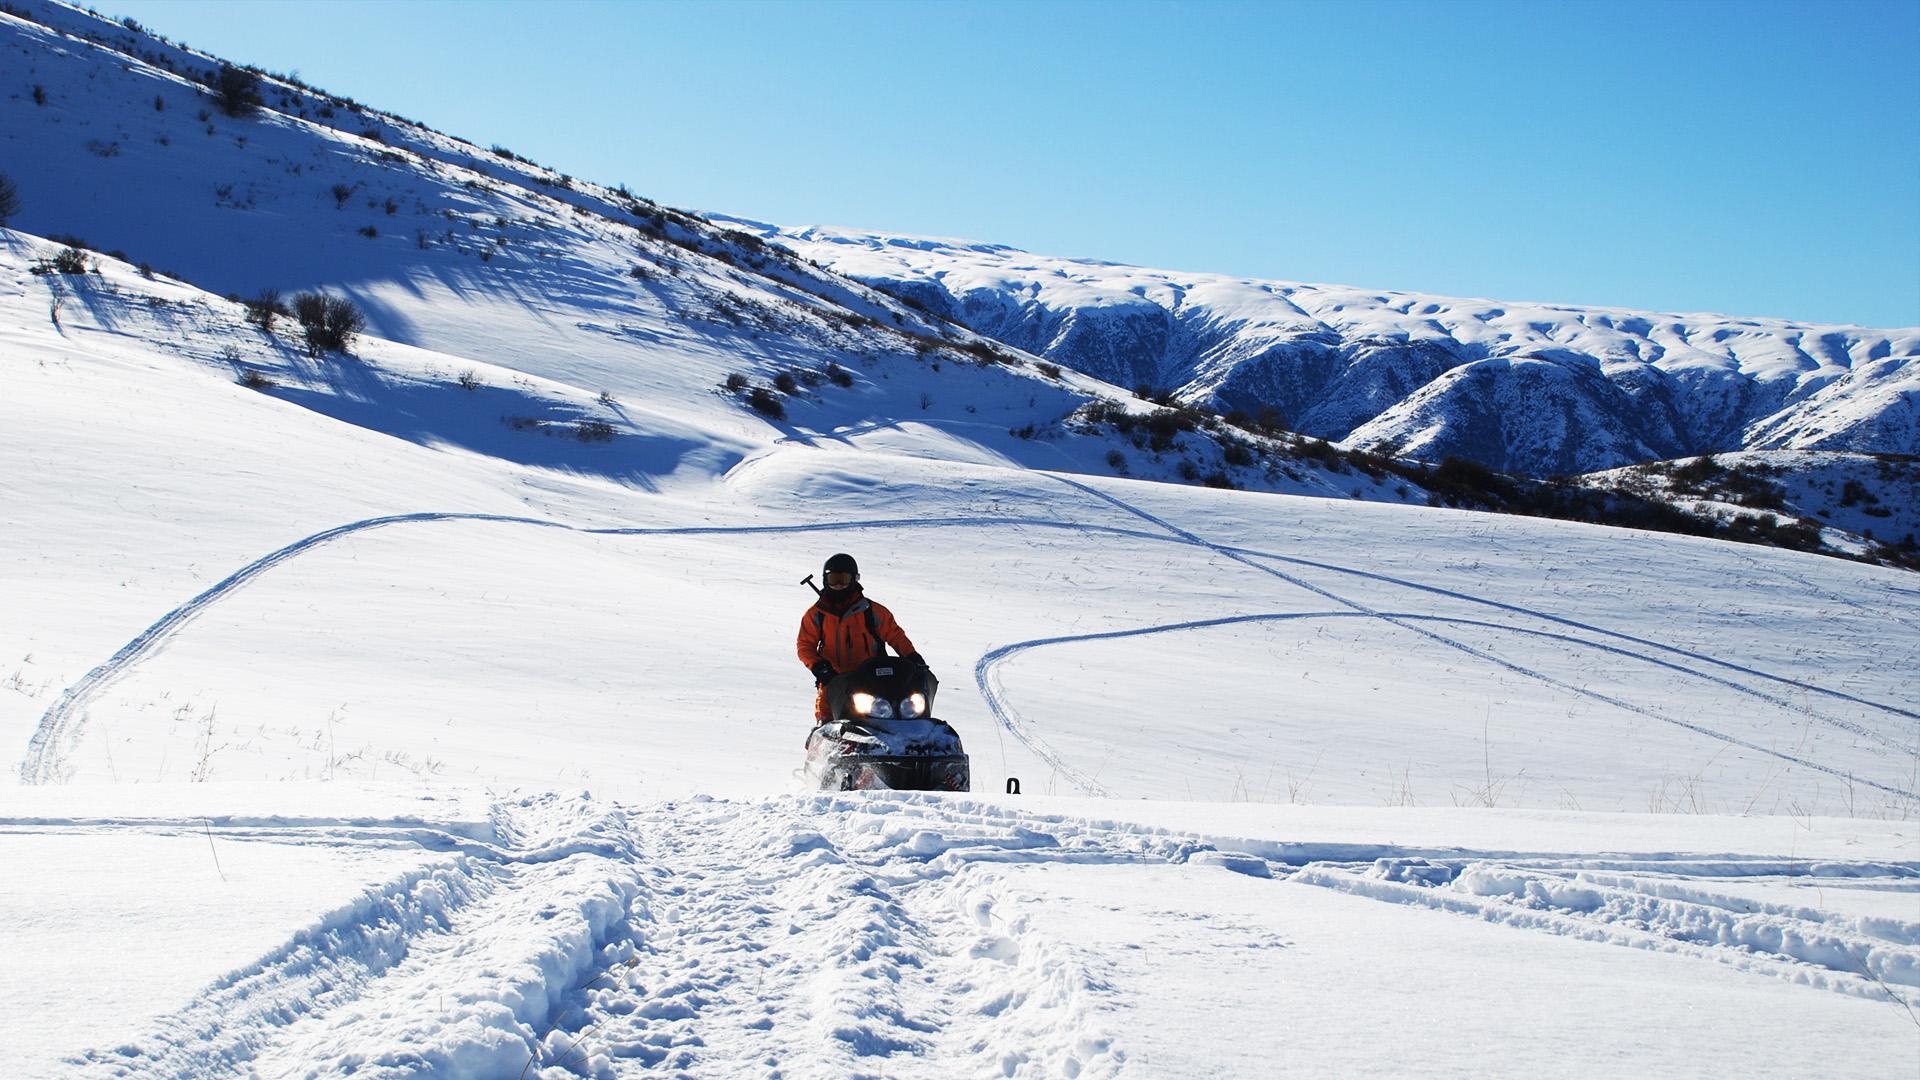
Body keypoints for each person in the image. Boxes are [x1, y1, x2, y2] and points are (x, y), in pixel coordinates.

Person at [796, 553, 922, 724]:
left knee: (897, 715)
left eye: (844, 579)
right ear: (825, 580)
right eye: (834, 579)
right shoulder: (816, 615)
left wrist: (911, 656)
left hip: (874, 680)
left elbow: (895, 635)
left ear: (854, 580)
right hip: (834, 682)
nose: (839, 585)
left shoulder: (873, 611)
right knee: (825, 725)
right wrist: (819, 666)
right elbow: (805, 645)